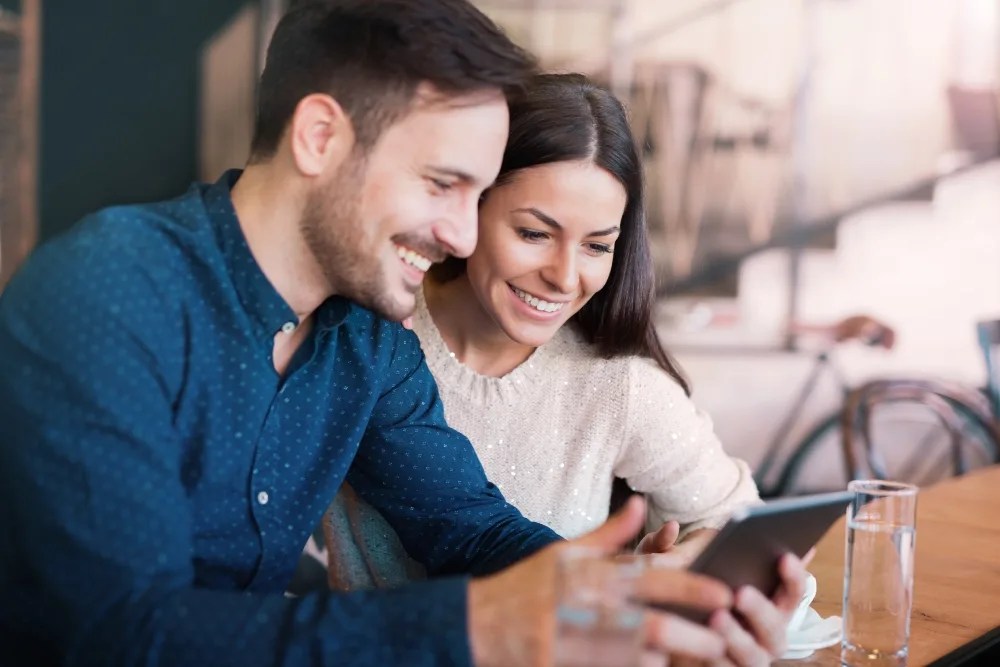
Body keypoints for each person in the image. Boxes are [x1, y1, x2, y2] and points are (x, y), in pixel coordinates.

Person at [0, 2, 805, 666]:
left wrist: (627, 598)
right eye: (443, 184)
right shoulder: (108, 291)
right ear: (321, 137)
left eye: (480, 194)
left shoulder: (365, 336)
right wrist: (478, 627)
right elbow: (119, 635)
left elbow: (466, 525)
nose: (462, 236)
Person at [325, 73, 752, 581]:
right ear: (471, 207)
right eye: (533, 233)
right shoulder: (369, 336)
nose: (565, 277)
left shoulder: (618, 385)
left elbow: (744, 524)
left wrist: (678, 563)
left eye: (597, 246)